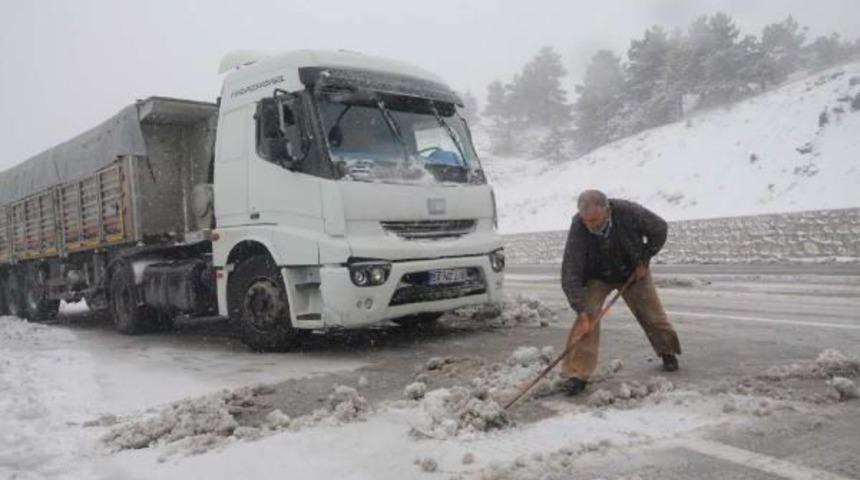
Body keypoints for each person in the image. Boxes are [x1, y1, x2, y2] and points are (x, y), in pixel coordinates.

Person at [560, 190, 681, 396]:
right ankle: (577, 374)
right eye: (587, 221)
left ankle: (667, 351)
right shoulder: (579, 226)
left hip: (632, 271)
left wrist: (644, 261)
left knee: (652, 315)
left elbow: (660, 228)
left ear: (607, 210)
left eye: (595, 220)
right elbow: (571, 268)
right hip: (597, 276)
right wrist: (579, 307)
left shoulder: (628, 212)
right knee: (587, 320)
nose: (591, 225)